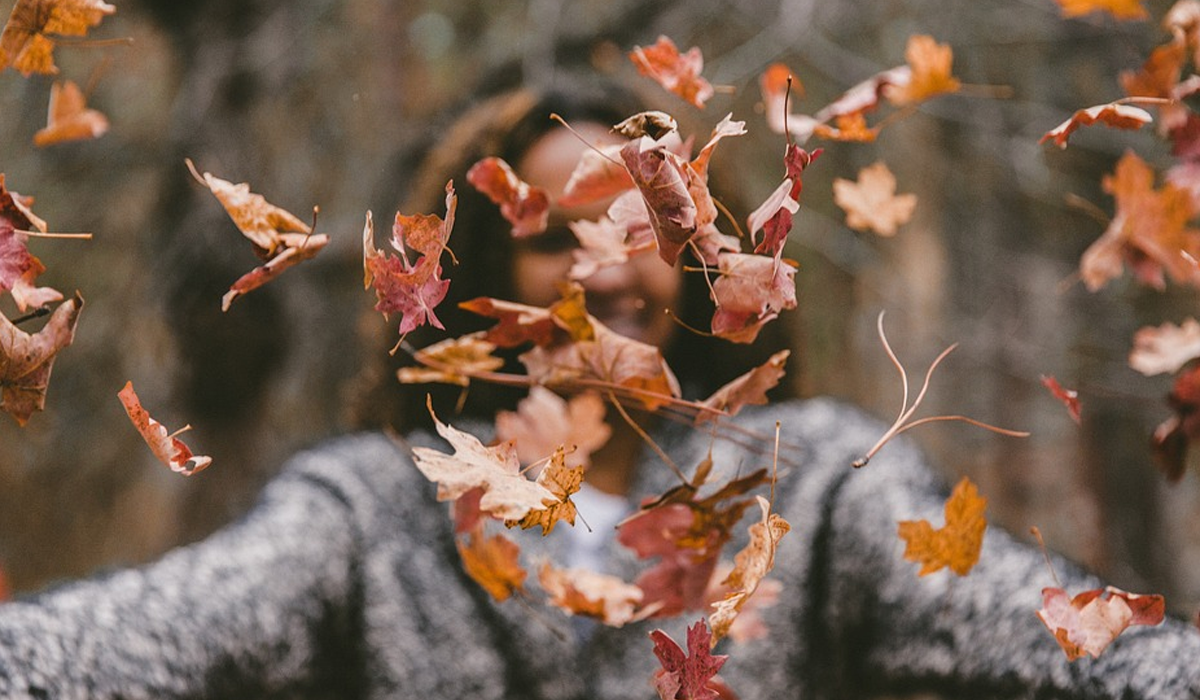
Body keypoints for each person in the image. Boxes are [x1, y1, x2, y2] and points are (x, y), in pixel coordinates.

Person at [0, 76, 1198, 700]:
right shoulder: (377, 511)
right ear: (484, 279)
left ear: (693, 258)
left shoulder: (813, 485)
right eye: (552, 239)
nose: (603, 268)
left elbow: (1057, 637)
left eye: (639, 227)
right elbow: (160, 630)